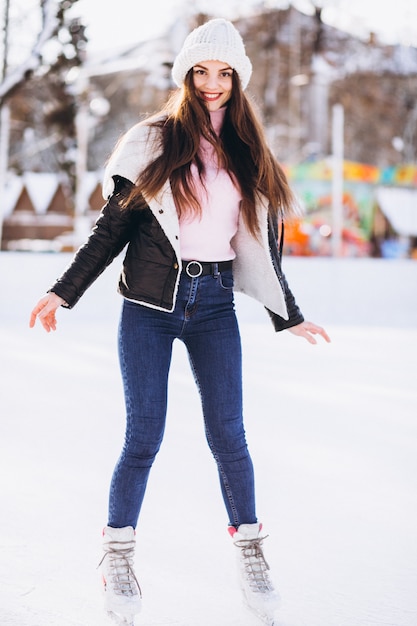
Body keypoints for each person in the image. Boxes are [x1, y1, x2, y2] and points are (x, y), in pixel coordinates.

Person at [30, 17, 330, 626]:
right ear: (186, 75)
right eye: (202, 71)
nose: (213, 83)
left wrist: (288, 315)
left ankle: (251, 551)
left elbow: (262, 250)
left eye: (224, 73)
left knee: (229, 435)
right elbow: (110, 229)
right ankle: (117, 555)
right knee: (144, 435)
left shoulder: (248, 153)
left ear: (237, 79)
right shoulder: (152, 142)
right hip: (148, 306)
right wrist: (64, 292)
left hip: (215, 303)